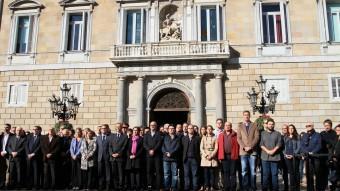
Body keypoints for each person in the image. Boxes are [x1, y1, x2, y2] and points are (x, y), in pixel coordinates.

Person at [237, 110, 260, 191]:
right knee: (244, 171)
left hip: (252, 151)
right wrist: (244, 147)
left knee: (253, 171)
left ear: (249, 116)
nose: (246, 116)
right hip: (243, 152)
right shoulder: (240, 126)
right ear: (243, 116)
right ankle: (245, 187)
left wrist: (250, 146)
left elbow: (257, 137)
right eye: (245, 115)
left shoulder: (254, 125)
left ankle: (253, 187)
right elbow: (239, 138)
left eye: (247, 115)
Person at [260, 119, 282, 191]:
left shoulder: (278, 133)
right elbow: (261, 144)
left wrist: (273, 151)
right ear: (267, 125)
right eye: (269, 124)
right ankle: (265, 189)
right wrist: (267, 151)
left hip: (275, 158)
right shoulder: (262, 133)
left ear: (274, 125)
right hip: (265, 157)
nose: (271, 125)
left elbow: (279, 143)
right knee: (265, 175)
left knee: (274, 175)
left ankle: (275, 189)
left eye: (272, 124)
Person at [218, 122, 240, 191]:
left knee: (233, 172)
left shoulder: (235, 134)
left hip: (233, 155)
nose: (227, 127)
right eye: (226, 125)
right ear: (224, 126)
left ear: (231, 126)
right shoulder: (221, 135)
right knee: (225, 172)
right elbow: (219, 146)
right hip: (224, 156)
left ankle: (233, 187)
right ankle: (226, 187)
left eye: (229, 125)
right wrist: (219, 156)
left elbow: (238, 145)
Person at [300, 122, 322, 191]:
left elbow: (319, 145)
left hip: (316, 158)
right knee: (309, 176)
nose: (308, 127)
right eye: (306, 126)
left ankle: (318, 189)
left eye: (309, 125)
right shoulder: (305, 135)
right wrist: (307, 152)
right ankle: (310, 189)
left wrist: (313, 152)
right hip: (308, 158)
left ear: (313, 126)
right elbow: (302, 145)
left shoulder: (317, 135)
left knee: (318, 175)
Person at [143, 121, 163, 190]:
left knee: (158, 171)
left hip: (157, 155)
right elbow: (144, 144)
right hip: (148, 156)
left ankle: (158, 186)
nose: (152, 126)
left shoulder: (159, 134)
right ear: (150, 125)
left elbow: (159, 143)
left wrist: (153, 150)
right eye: (151, 125)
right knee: (149, 171)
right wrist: (149, 150)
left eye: (154, 125)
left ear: (156, 126)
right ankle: (149, 185)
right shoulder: (146, 134)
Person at [182, 124, 201, 191]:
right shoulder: (184, 138)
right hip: (186, 159)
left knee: (195, 174)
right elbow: (182, 149)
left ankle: (195, 188)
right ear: (187, 129)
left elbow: (199, 149)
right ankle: (187, 187)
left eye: (191, 128)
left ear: (193, 129)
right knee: (186, 174)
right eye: (189, 128)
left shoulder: (197, 138)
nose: (190, 129)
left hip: (194, 159)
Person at [320, 119, 337, 191]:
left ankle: (333, 187)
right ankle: (325, 187)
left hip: (332, 156)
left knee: (332, 175)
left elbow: (334, 143)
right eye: (325, 125)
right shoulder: (322, 133)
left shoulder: (334, 133)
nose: (326, 127)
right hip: (323, 156)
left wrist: (328, 143)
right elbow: (320, 144)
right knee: (324, 174)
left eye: (328, 125)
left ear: (331, 126)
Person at [109, 123, 128, 190]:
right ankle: (115, 186)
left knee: (121, 173)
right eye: (116, 127)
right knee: (114, 173)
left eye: (119, 127)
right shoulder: (112, 136)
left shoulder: (125, 136)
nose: (118, 128)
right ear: (115, 128)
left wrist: (119, 153)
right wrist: (112, 154)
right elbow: (110, 146)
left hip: (120, 158)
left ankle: (120, 186)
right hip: (112, 158)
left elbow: (124, 146)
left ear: (121, 128)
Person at [162, 125, 180, 191]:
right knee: (166, 174)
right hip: (166, 158)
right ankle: (167, 187)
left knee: (174, 174)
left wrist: (171, 153)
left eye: (173, 128)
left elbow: (177, 147)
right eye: (170, 128)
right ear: (168, 130)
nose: (171, 130)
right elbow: (162, 147)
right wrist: (166, 153)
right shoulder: (165, 137)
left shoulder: (177, 138)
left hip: (174, 159)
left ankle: (174, 187)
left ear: (174, 129)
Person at [201, 125, 218, 191]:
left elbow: (216, 147)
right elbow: (201, 148)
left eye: (210, 129)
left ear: (212, 130)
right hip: (205, 158)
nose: (209, 130)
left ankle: (212, 186)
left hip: (212, 158)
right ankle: (207, 186)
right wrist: (206, 155)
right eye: (208, 129)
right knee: (206, 174)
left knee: (212, 174)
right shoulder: (203, 137)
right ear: (206, 130)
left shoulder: (215, 137)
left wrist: (212, 155)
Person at [283, 124, 301, 191]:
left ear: (294, 129)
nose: (291, 129)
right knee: (291, 173)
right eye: (289, 128)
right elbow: (283, 147)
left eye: (292, 128)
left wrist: (293, 154)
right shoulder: (285, 137)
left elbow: (299, 147)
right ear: (288, 129)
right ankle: (292, 188)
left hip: (295, 157)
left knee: (296, 172)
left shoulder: (297, 136)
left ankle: (297, 188)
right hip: (287, 157)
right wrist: (285, 154)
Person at [25, 125, 42, 190]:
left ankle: (36, 186)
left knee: (36, 172)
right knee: (29, 172)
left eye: (36, 129)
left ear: (39, 130)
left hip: (36, 157)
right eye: (33, 129)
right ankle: (29, 186)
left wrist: (33, 154)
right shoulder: (29, 136)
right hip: (28, 157)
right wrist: (28, 154)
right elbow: (26, 145)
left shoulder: (41, 137)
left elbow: (39, 147)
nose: (34, 130)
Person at [96, 124, 111, 191]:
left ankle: (107, 187)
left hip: (107, 158)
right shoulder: (98, 138)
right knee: (100, 172)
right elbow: (96, 148)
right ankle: (100, 186)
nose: (103, 129)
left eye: (105, 128)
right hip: (100, 158)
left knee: (107, 173)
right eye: (102, 128)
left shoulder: (110, 137)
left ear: (107, 129)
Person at [0, 123, 14, 189]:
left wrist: (7, 151)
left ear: (10, 128)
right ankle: (1, 183)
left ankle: (7, 184)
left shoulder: (13, 136)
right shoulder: (1, 136)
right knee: (2, 170)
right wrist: (1, 152)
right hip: (1, 155)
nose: (6, 128)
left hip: (8, 155)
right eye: (5, 127)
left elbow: (13, 146)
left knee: (8, 170)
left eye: (7, 127)